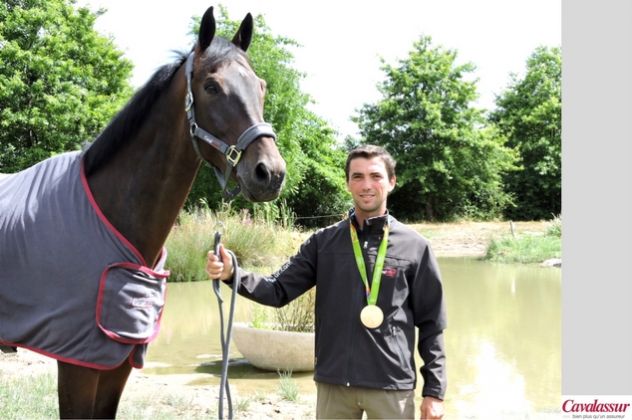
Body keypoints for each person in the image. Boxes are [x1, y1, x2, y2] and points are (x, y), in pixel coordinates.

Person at [207, 145, 447, 419]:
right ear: (347, 183)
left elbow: (432, 325)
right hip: (334, 385)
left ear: (391, 182)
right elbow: (277, 290)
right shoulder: (322, 243)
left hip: (391, 385)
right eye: (357, 176)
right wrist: (232, 273)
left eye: (375, 176)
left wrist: (434, 391)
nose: (366, 185)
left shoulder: (416, 247)